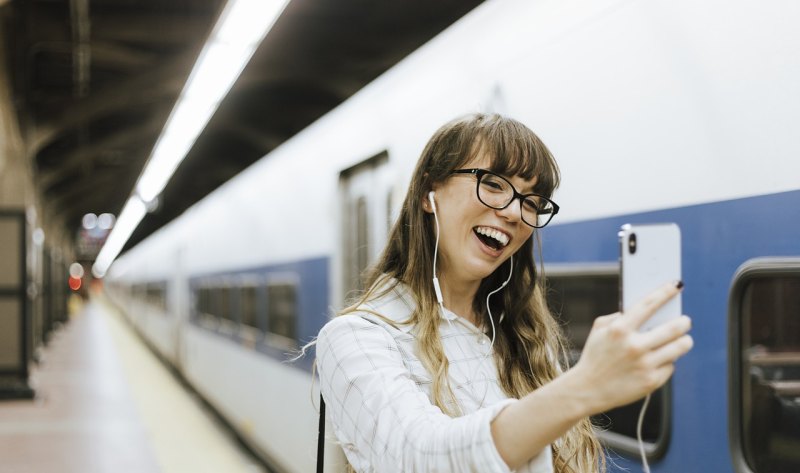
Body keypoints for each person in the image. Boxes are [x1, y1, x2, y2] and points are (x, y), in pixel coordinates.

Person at [315, 113, 693, 472]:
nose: (514, 212)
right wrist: (583, 386)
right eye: (493, 184)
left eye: (531, 201)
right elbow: (414, 458)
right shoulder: (358, 336)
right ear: (430, 193)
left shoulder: (525, 337)